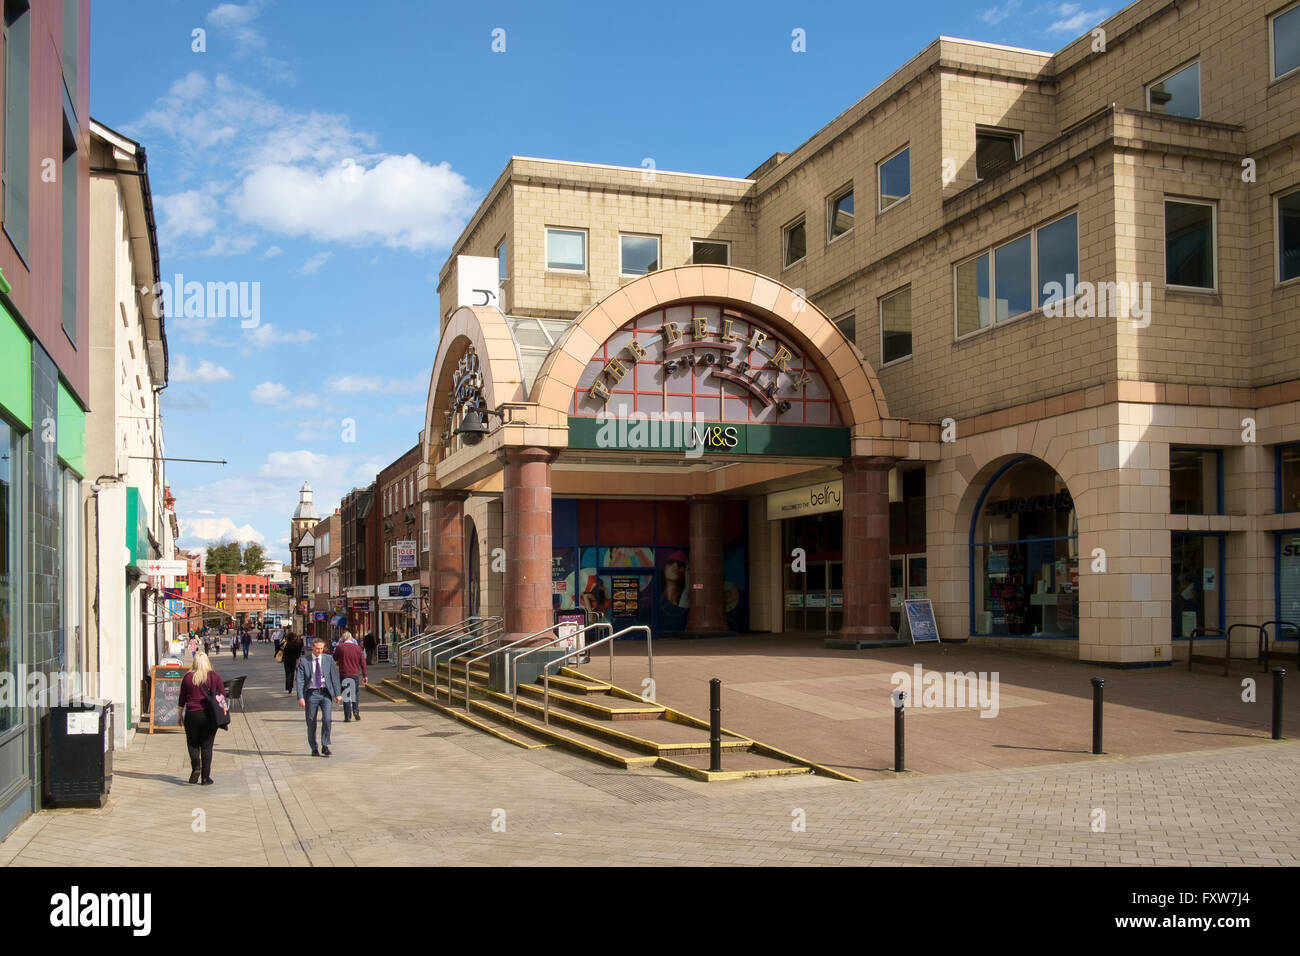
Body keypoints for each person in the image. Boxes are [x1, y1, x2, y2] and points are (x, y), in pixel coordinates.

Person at [178, 651, 225, 785]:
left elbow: (182, 698)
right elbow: (222, 695)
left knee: (192, 743)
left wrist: (179, 715)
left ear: (194, 663)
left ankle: (196, 768)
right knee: (207, 746)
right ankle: (205, 777)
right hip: (209, 716)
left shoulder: (187, 677)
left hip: (192, 714)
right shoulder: (214, 676)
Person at [295, 638, 342, 756]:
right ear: (312, 648)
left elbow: (334, 677)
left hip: (325, 693)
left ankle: (325, 745)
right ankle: (314, 747)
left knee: (327, 719)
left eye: (321, 648)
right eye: (317, 649)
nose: (319, 651)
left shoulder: (328, 659)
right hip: (311, 693)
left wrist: (337, 693)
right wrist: (300, 697)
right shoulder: (304, 661)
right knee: (311, 721)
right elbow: (300, 680)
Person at [333, 630, 368, 722]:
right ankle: (356, 711)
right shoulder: (357, 648)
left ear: (343, 639)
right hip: (355, 674)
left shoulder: (340, 647)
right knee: (354, 693)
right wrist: (365, 675)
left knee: (346, 695)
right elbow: (363, 663)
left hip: (344, 673)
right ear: (351, 638)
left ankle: (347, 716)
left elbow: (334, 658)